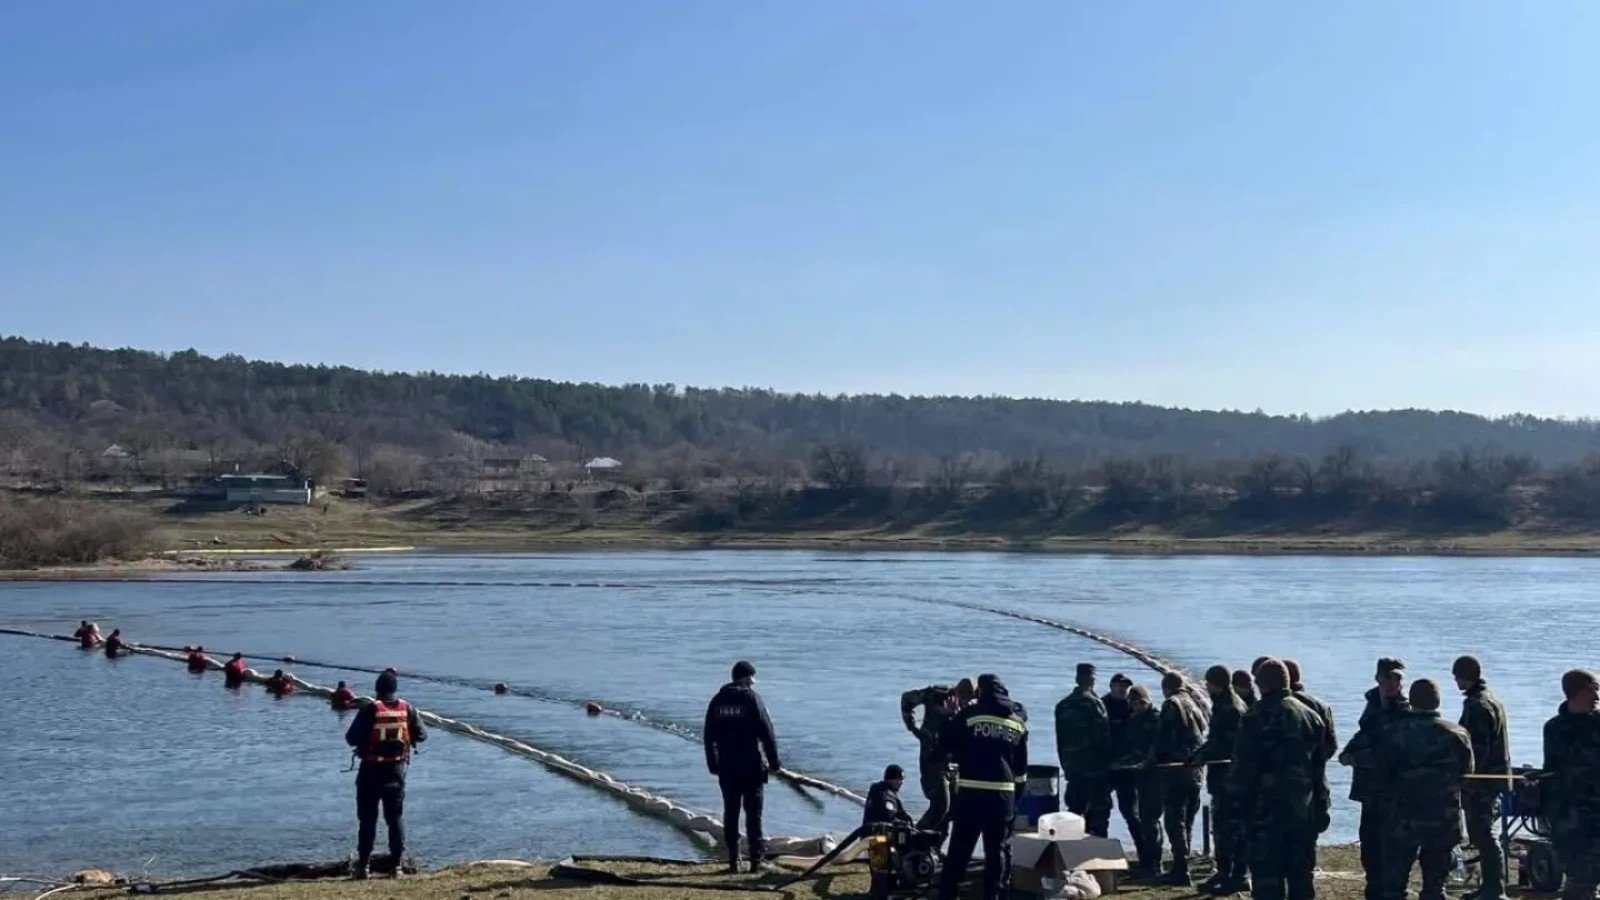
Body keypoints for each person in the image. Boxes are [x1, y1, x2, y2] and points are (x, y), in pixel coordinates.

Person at [1232, 658, 1326, 900]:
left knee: (1267, 882)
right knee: (1301, 879)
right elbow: (1319, 768)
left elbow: (1243, 770)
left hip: (1264, 814)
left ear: (1263, 684)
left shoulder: (1254, 716)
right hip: (1301, 812)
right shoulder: (1311, 716)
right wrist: (1322, 807)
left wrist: (1237, 806)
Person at [1377, 679, 1473, 900]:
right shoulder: (1457, 734)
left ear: (1411, 701)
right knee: (1435, 887)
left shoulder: (1394, 731)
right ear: (1437, 701)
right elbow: (1467, 774)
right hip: (1443, 818)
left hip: (1402, 817)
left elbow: (1382, 772)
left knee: (1394, 887)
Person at [935, 673, 1028, 900]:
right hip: (1002, 800)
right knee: (997, 855)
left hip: (971, 797)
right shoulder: (1017, 723)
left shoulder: (970, 715)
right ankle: (994, 895)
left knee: (958, 854)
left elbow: (947, 746)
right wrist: (1014, 802)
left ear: (981, 692)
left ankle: (947, 895)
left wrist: (948, 716)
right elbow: (1021, 772)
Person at [345, 670, 426, 880]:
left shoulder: (370, 709)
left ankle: (363, 866)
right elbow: (422, 735)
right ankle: (397, 866)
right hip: (396, 772)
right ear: (395, 689)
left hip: (370, 771)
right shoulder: (407, 708)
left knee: (367, 820)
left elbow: (351, 738)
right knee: (395, 818)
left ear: (377, 689)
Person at [1339, 657, 1410, 900]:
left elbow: (1390, 752)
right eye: (1388, 677)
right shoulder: (1372, 707)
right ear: (1378, 678)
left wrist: (1357, 758)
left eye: (1397, 678)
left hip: (1394, 794)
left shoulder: (1405, 712)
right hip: (1370, 794)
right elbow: (1363, 737)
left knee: (1392, 853)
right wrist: (1350, 753)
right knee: (1370, 851)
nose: (1393, 683)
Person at [703, 660, 781, 874]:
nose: (752, 684)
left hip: (727, 766)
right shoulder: (752, 699)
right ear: (746, 679)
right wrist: (775, 763)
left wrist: (713, 764)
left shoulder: (717, 701)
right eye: (751, 680)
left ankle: (733, 860)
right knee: (753, 813)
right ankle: (756, 860)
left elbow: (709, 736)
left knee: (731, 811)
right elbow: (767, 733)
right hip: (751, 765)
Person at [1453, 655, 1509, 900]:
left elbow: (1477, 749)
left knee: (1483, 834)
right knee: (1483, 833)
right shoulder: (1491, 699)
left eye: (1456, 676)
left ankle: (1494, 889)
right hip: (1493, 777)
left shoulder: (1477, 705)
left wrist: (1465, 775)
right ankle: (1490, 886)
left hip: (1482, 781)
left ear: (1463, 677)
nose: (1455, 681)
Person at [1542, 669, 1600, 900]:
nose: (1597, 696)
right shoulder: (1554, 727)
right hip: (1568, 816)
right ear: (1574, 693)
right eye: (1592, 690)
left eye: (1598, 690)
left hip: (1597, 810)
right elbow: (1551, 769)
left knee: (1588, 878)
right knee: (1578, 875)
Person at [1149, 671, 1207, 886]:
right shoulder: (1195, 703)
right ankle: (1182, 865)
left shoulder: (1171, 704)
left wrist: (1150, 761)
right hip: (1195, 770)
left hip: (1176, 771)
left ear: (1166, 688)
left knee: (1174, 821)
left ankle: (1180, 869)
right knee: (1188, 820)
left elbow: (1161, 737)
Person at [1196, 664, 1248, 895]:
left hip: (1230, 780)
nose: (1206, 688)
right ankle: (1224, 871)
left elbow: (1225, 745)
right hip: (1224, 780)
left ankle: (1237, 875)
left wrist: (1201, 757)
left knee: (1230, 829)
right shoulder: (1225, 704)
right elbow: (1213, 740)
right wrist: (1198, 754)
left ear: (1216, 684)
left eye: (1208, 684)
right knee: (1221, 828)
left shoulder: (1230, 708)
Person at [901, 678, 975, 833]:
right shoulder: (937, 694)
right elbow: (907, 699)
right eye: (964, 698)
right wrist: (913, 728)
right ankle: (913, 839)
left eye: (969, 699)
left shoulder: (970, 707)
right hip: (932, 760)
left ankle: (933, 843)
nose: (965, 702)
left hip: (953, 764)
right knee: (940, 806)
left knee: (950, 812)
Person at [1054, 662, 1112, 837]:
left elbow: (1060, 740)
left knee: (1074, 811)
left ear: (1077, 679)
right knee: (1099, 813)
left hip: (1072, 767)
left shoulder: (1062, 705)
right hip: (1095, 769)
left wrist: (1066, 765)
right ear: (1092, 680)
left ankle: (1069, 847)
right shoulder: (1095, 704)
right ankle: (1097, 848)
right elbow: (1104, 738)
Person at [1284, 659, 1337, 840]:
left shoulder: (1282, 706)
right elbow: (1331, 746)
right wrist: (1314, 761)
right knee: (1308, 838)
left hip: (1287, 786)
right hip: (1316, 782)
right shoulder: (1321, 706)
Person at [1115, 684, 1162, 877]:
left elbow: (1157, 746)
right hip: (1138, 774)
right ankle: (1147, 861)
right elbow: (1130, 746)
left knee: (1151, 819)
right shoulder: (1134, 720)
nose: (1135, 707)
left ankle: (1154, 863)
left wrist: (1144, 761)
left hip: (1153, 775)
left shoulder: (1156, 719)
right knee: (1142, 817)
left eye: (1138, 703)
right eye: (1132, 703)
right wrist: (1123, 761)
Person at [1103, 673, 1144, 849]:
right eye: (1120, 685)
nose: (1123, 689)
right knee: (1099, 809)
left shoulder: (1131, 707)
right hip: (1106, 766)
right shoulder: (1102, 705)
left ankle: (1143, 850)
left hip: (1127, 768)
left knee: (1130, 811)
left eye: (1126, 686)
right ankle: (1098, 846)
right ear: (1111, 686)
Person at [863, 764, 915, 829]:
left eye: (902, 779)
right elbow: (888, 817)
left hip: (867, 831)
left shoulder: (876, 789)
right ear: (889, 779)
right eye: (898, 779)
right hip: (881, 832)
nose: (901, 782)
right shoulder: (886, 795)